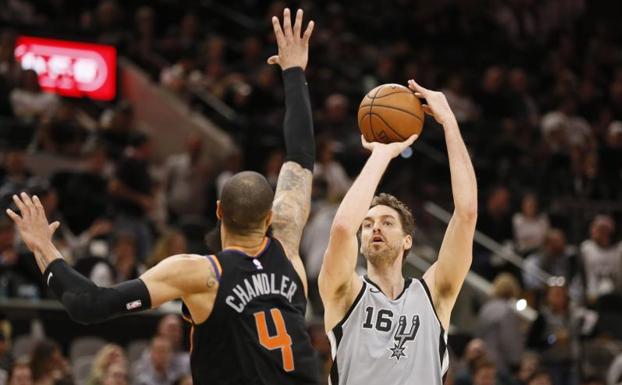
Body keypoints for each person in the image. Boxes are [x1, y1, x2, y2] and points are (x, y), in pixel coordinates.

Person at [7, 8, 319, 385]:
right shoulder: (288, 253)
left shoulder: (200, 273)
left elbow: (88, 306)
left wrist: (43, 247)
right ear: (269, 218)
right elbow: (300, 157)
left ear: (218, 211)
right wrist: (294, 70)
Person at [318, 80, 478, 385]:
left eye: (387, 222)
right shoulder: (345, 292)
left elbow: (467, 213)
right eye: (367, 224)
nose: (375, 227)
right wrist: (381, 154)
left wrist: (448, 121)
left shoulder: (434, 294)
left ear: (408, 241)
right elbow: (341, 229)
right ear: (361, 242)